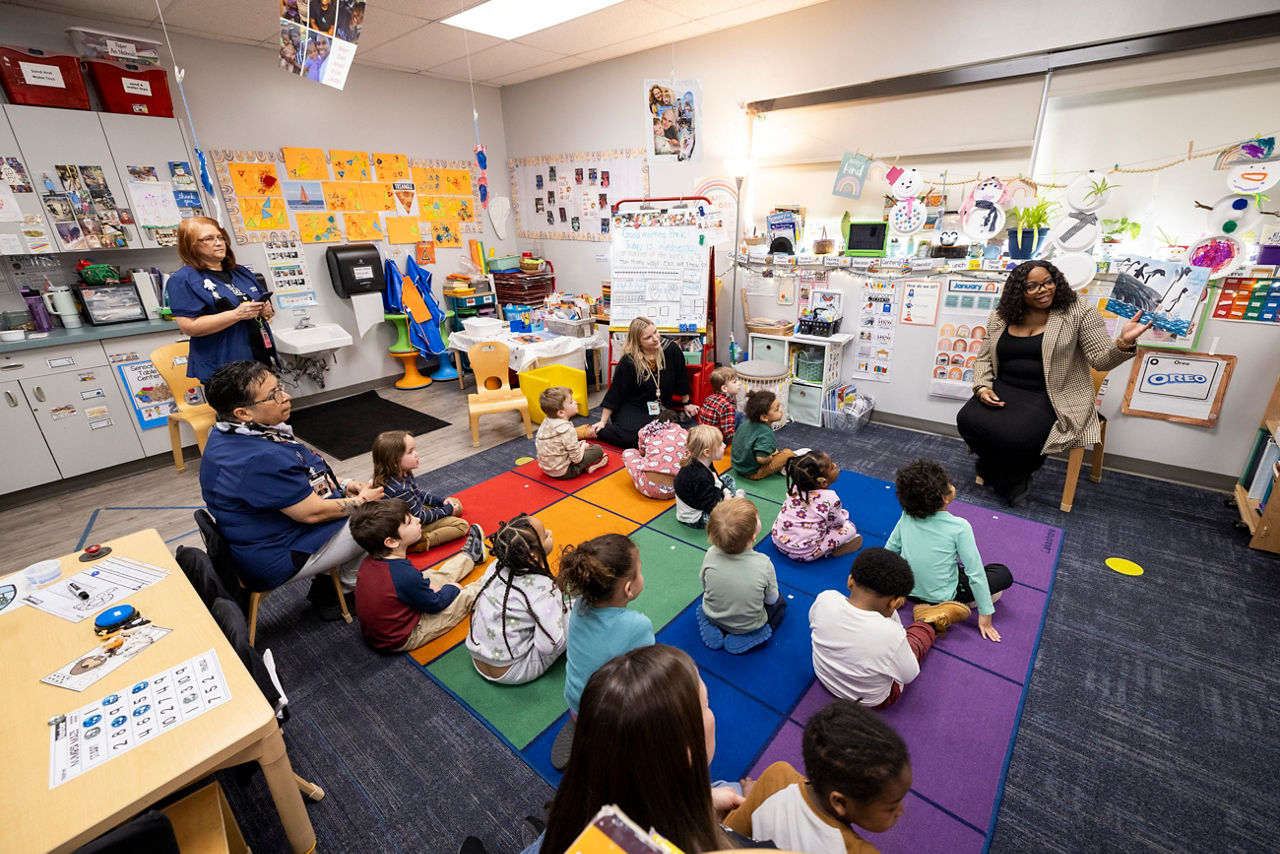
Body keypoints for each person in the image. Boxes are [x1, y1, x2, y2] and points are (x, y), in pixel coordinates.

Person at [956, 259, 1152, 504]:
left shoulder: (1079, 312)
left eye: (1048, 282)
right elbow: (984, 358)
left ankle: (1007, 474)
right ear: (1018, 291)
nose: (1044, 289)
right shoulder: (1001, 316)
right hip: (1005, 388)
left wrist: (1124, 342)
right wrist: (982, 386)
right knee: (966, 421)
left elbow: (1101, 361)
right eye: (1033, 286)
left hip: (1053, 394)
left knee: (1016, 436)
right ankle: (1006, 471)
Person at [199, 361, 383, 618]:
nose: (285, 397)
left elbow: (300, 475)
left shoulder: (228, 435)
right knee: (382, 519)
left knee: (369, 509)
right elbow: (313, 513)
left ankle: (334, 584)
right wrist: (362, 501)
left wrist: (343, 484)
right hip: (278, 554)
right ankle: (339, 589)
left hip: (260, 540)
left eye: (280, 387)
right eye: (273, 395)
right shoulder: (259, 458)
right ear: (243, 413)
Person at [539, 645, 745, 854]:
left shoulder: (572, 815)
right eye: (707, 704)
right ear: (685, 756)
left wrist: (706, 800)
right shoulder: (687, 845)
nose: (711, 711)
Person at [725, 699, 912, 853]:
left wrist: (754, 800)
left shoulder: (776, 776)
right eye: (891, 807)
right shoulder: (860, 851)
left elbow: (727, 836)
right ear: (840, 802)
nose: (900, 811)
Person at [810, 547, 970, 708]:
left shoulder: (825, 598)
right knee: (914, 642)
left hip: (824, 677)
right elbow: (909, 675)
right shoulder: (891, 634)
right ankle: (929, 622)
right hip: (871, 701)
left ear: (850, 581)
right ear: (895, 603)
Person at [552, 533, 654, 769]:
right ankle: (610, 743)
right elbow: (647, 675)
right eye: (640, 570)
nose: (642, 572)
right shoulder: (636, 625)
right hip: (611, 717)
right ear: (629, 589)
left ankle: (581, 725)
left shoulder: (580, 605)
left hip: (576, 702)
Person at [888, 460, 1011, 642]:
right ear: (945, 497)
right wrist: (986, 615)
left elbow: (889, 552)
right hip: (942, 596)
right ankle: (940, 608)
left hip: (908, 590)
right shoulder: (959, 527)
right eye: (949, 484)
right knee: (1002, 574)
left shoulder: (906, 515)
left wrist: (888, 589)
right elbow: (975, 574)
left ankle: (927, 604)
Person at [350, 500, 486, 653]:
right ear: (392, 541)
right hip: (404, 636)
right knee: (463, 597)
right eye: (409, 522)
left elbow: (408, 583)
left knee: (429, 576)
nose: (418, 519)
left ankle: (469, 558)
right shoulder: (404, 575)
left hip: (394, 619)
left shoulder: (372, 561)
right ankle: (493, 585)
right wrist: (451, 589)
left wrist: (429, 588)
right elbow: (435, 604)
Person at [166, 217, 277, 386]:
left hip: (260, 356)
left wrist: (267, 311)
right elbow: (189, 327)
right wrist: (236, 315)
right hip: (225, 366)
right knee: (240, 411)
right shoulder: (183, 279)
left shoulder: (241, 272)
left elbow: (267, 310)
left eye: (220, 237)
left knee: (269, 408)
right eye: (209, 239)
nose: (218, 243)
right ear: (190, 245)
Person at [465, 513, 568, 685]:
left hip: (477, 658)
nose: (550, 532)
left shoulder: (493, 568)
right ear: (533, 556)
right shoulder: (543, 588)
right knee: (572, 611)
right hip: (514, 670)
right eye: (545, 535)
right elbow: (548, 646)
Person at [592, 317, 696, 449]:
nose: (655, 338)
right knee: (636, 437)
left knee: (662, 435)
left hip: (660, 407)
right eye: (648, 337)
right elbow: (615, 393)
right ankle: (594, 432)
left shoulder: (671, 350)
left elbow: (681, 378)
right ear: (638, 342)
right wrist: (602, 421)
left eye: (655, 332)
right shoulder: (629, 361)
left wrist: (686, 403)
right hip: (634, 406)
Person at [697, 497, 785, 654]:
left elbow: (704, 584)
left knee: (702, 607)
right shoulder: (764, 564)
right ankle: (751, 636)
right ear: (753, 537)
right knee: (780, 604)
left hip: (713, 614)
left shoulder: (710, 553)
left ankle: (711, 624)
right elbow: (771, 599)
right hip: (749, 625)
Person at [370, 430, 468, 552]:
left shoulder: (401, 473)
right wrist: (446, 510)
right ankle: (420, 542)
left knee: (455, 503)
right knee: (461, 526)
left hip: (412, 513)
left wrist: (441, 501)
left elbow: (418, 493)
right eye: (410, 452)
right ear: (394, 462)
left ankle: (445, 511)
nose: (417, 454)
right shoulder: (399, 490)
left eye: (415, 449)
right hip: (410, 523)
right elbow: (420, 517)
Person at [771, 451, 863, 562]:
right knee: (850, 528)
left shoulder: (795, 487)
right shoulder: (831, 498)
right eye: (831, 466)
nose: (835, 465)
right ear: (823, 483)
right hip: (805, 553)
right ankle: (829, 550)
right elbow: (837, 523)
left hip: (778, 540)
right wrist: (844, 517)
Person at [674, 425, 739, 528]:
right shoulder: (699, 476)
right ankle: (733, 503)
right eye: (720, 444)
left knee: (727, 479)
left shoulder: (703, 462)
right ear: (707, 452)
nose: (724, 446)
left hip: (700, 499)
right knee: (724, 519)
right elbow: (711, 507)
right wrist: (718, 487)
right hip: (696, 518)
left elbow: (715, 478)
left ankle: (731, 500)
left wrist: (726, 492)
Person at [535, 387, 608, 479]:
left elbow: (557, 443)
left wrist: (576, 445)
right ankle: (590, 466)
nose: (575, 402)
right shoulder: (568, 430)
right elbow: (577, 459)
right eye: (571, 402)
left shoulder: (547, 421)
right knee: (597, 449)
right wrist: (582, 447)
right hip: (564, 472)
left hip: (547, 470)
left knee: (580, 447)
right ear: (561, 413)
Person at [730, 390, 797, 480]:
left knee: (772, 450)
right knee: (788, 453)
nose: (781, 411)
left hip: (738, 466)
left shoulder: (746, 423)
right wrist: (769, 458)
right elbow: (761, 459)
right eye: (776, 409)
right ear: (764, 417)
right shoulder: (766, 433)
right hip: (752, 472)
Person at [622, 409, 688, 499]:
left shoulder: (648, 430)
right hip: (675, 490)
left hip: (647, 487)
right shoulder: (685, 434)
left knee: (628, 452)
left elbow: (642, 453)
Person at [697, 365, 743, 444]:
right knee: (743, 417)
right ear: (724, 388)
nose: (739, 383)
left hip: (704, 435)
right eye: (735, 382)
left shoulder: (710, 398)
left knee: (739, 415)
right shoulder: (727, 405)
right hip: (716, 441)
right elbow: (729, 433)